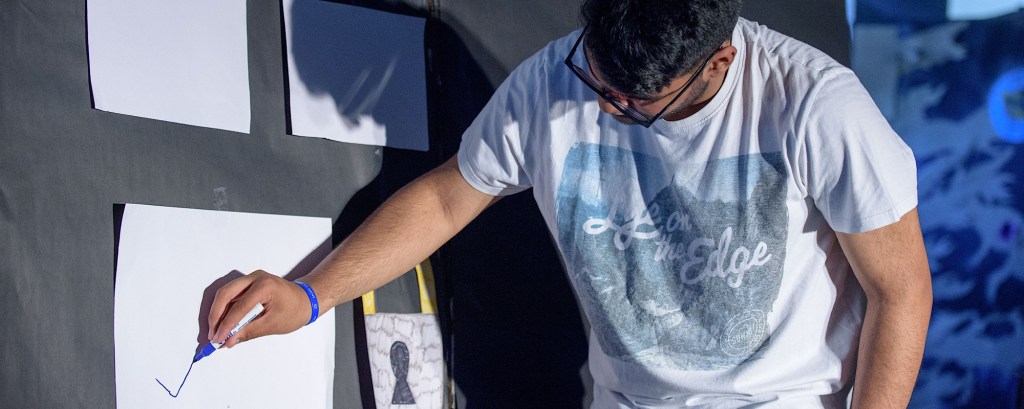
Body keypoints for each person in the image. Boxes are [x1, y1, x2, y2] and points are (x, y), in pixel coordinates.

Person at [206, 0, 933, 407]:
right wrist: (308, 293)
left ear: (719, 61)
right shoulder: (552, 81)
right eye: (598, 79)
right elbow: (446, 199)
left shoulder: (815, 107)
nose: (608, 104)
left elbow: (900, 290)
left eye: (637, 101)